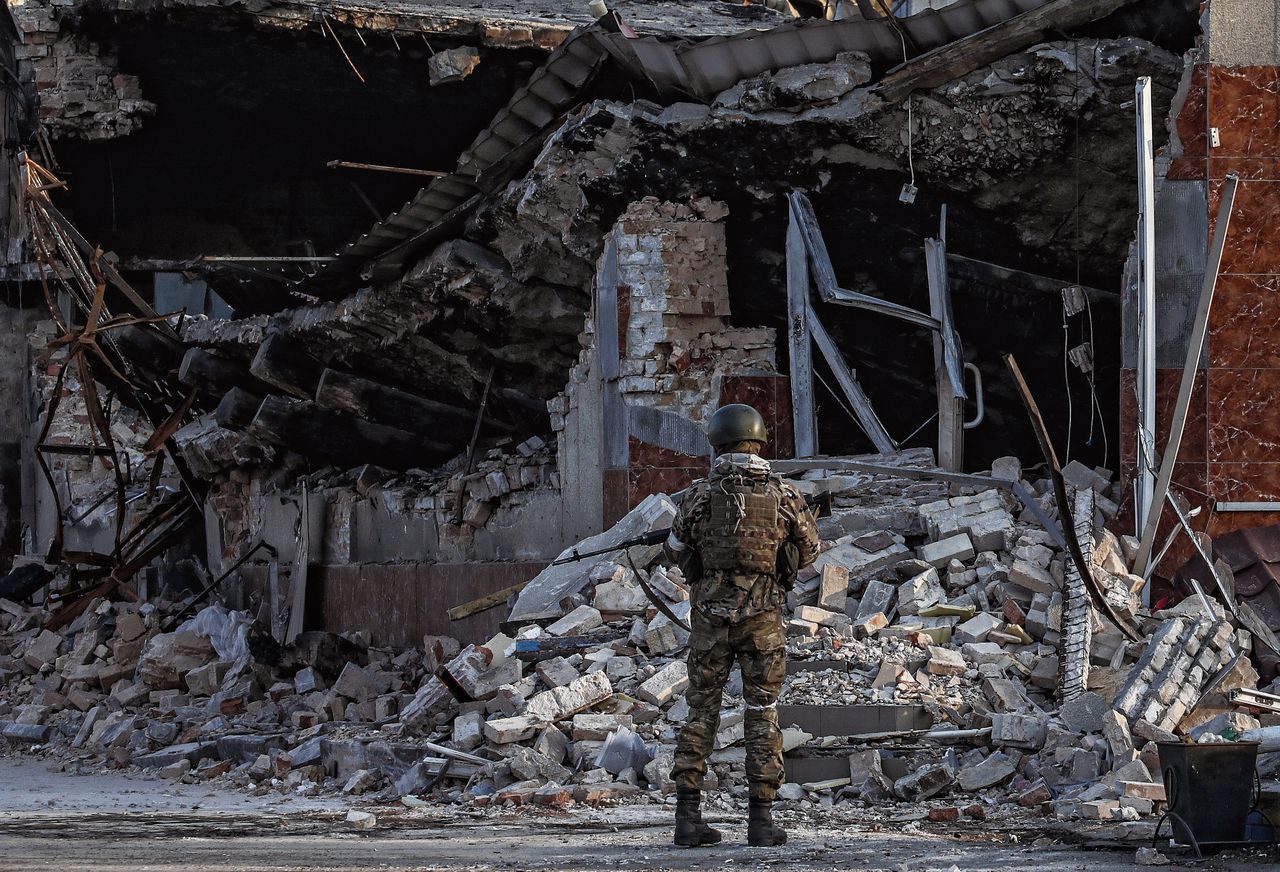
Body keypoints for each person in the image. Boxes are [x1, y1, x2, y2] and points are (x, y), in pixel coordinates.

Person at [664, 403, 820, 848]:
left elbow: (676, 548)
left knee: (701, 712)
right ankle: (761, 820)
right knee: (762, 713)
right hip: (763, 623)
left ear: (717, 442)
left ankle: (687, 818)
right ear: (757, 440)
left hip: (710, 622)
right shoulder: (783, 495)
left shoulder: (696, 496)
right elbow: (809, 551)